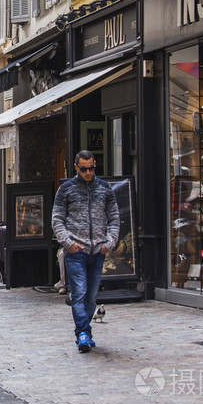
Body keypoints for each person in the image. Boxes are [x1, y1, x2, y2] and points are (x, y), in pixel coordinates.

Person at [51, 150, 119, 353]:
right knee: (79, 293)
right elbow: (57, 219)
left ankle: (84, 331)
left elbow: (114, 217)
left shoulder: (104, 188)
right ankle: (83, 332)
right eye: (84, 169)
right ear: (76, 167)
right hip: (76, 251)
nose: (88, 172)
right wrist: (68, 243)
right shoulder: (66, 189)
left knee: (91, 296)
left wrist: (109, 243)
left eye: (91, 168)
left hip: (98, 250)